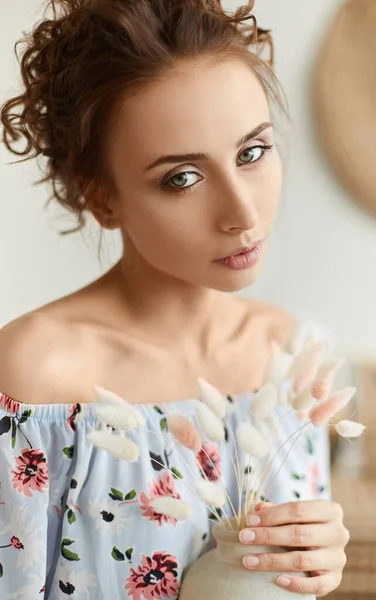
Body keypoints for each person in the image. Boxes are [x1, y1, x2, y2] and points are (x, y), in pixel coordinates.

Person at [0, 0, 349, 598]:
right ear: (102, 198)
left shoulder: (289, 356)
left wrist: (320, 562)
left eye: (252, 152)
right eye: (181, 178)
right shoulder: (38, 374)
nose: (242, 214)